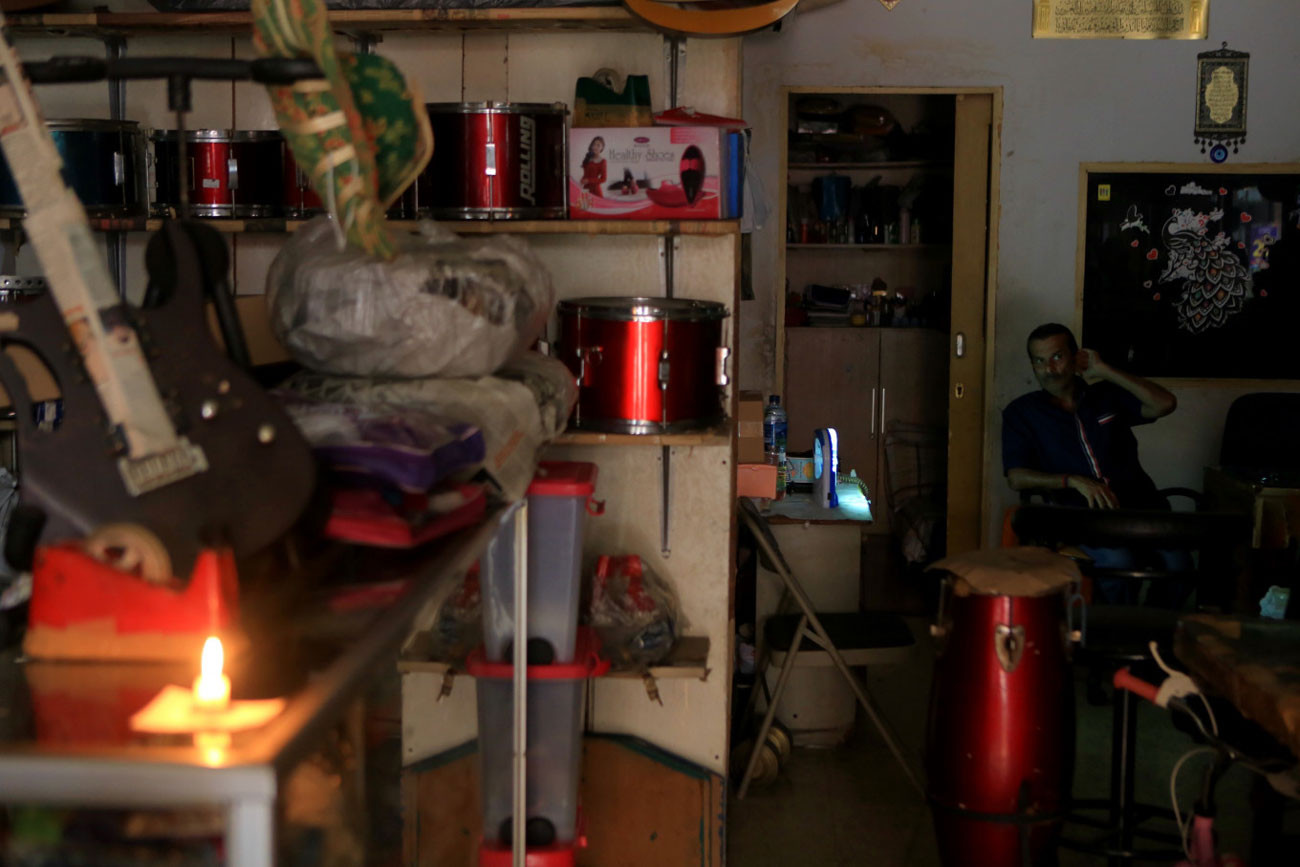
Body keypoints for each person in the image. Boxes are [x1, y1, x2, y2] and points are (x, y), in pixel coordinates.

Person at [1003, 323, 1187, 605]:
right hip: (1079, 514)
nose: (1049, 369)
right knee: (1118, 563)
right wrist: (1072, 480)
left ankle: (1154, 633)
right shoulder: (1023, 412)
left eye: (1057, 357)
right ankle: (1115, 635)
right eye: (1039, 361)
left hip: (1138, 508)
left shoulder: (1105, 396)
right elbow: (1016, 477)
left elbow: (1165, 404)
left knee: (1179, 565)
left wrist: (1105, 371)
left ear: (1076, 357)